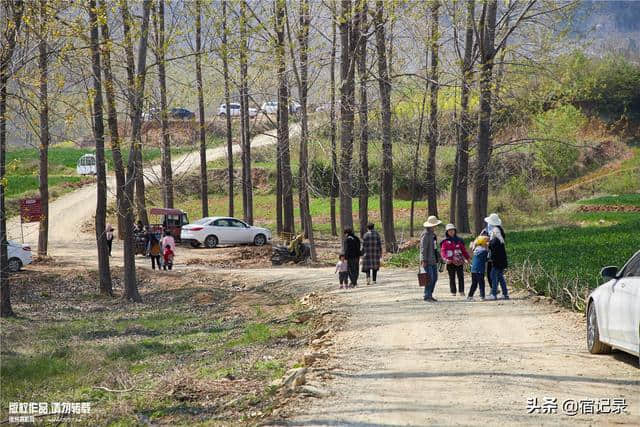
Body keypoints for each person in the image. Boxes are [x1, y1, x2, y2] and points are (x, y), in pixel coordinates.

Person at [440, 223, 470, 296]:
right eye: (449, 230)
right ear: (447, 232)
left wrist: (468, 258)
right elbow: (443, 251)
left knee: (461, 276)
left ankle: (461, 291)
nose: (451, 232)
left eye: (452, 230)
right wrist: (445, 259)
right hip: (450, 262)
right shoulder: (444, 241)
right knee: (452, 277)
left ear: (455, 231)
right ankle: (453, 291)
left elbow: (463, 250)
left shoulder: (459, 240)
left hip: (459, 261)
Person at [420, 215, 442, 302]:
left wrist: (439, 256)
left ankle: (430, 294)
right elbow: (423, 248)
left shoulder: (433, 235)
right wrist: (423, 259)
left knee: (435, 278)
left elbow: (435, 247)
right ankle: (427, 295)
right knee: (429, 278)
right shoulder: (425, 235)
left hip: (433, 260)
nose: (435, 226)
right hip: (427, 260)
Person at [488, 226, 509, 300]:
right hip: (502, 262)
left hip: (497, 262)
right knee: (500, 277)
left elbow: (491, 248)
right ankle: (505, 294)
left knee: (493, 276)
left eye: (492, 232)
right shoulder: (501, 240)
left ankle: (493, 294)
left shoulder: (495, 241)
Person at [467, 235, 489, 301]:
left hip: (473, 270)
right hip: (480, 270)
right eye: (487, 242)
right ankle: (482, 296)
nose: (488, 243)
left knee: (474, 284)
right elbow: (487, 259)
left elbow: (471, 251)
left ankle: (470, 296)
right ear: (484, 243)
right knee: (481, 283)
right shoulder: (484, 251)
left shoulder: (476, 250)